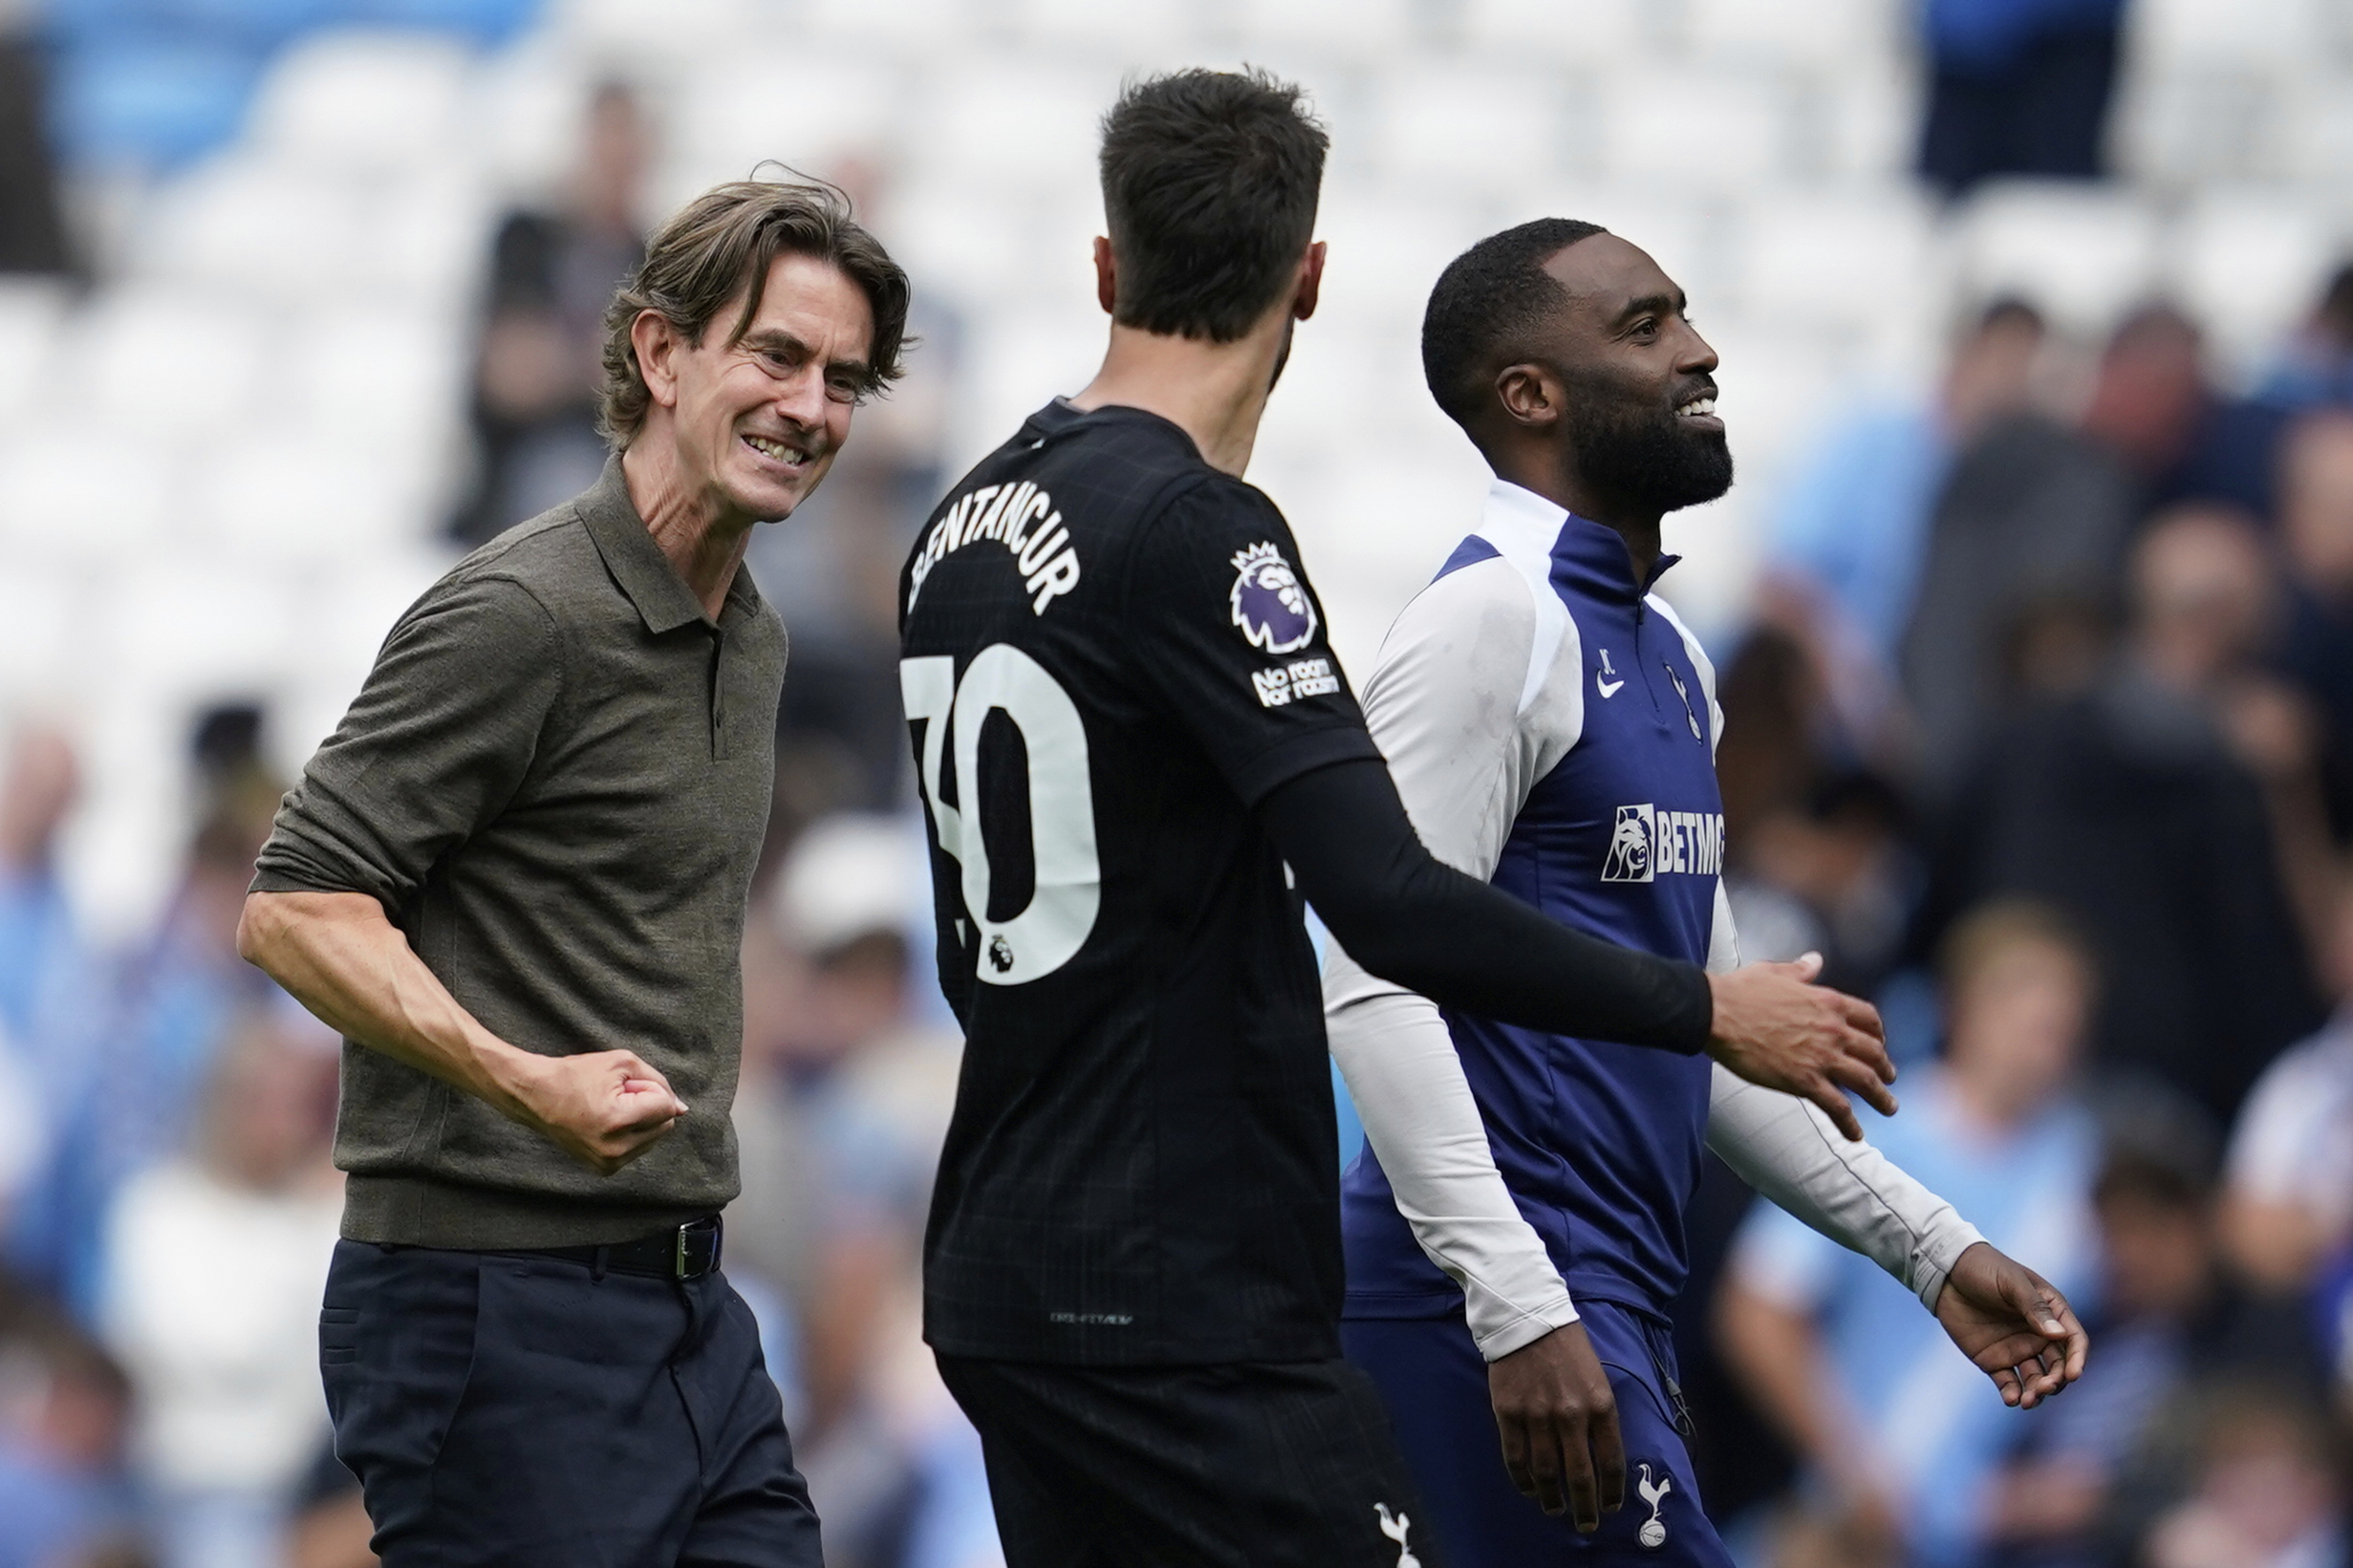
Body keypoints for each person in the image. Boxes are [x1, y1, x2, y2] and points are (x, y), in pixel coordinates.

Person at [900, 69, 1907, 1568]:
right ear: (1308, 280)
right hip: (1181, 1285)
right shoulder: (1200, 529)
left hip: (1001, 1262)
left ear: (1105, 269)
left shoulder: (959, 523)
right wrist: (1699, 1006)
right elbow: (1384, 900)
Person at [1324, 220, 2086, 1568]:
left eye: (1681, 314)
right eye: (1643, 325)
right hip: (1485, 1311)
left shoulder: (1672, 653)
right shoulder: (1485, 626)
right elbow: (1374, 977)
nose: (1699, 349)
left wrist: (1930, 1250)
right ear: (1527, 394)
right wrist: (1512, 1308)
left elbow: (1715, 1042)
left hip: (1599, 1301)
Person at [236, 176, 911, 1567]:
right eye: (775, 354)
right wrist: (523, 1078)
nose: (810, 406)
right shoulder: (521, 610)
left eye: (844, 378)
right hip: (492, 1309)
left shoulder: (760, 634)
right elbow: (294, 908)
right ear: (661, 355)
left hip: (686, 1309)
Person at [1717, 901, 2102, 1568]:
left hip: (1989, 1540)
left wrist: (2039, 1489)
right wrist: (1852, 1469)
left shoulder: (2085, 1169)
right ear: (1964, 1008)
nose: (2049, 1041)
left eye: (2063, 1025)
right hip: (1848, 1530)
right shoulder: (1885, 1134)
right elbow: (1757, 1309)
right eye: (2031, 1016)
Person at [451, 81, 654, 546]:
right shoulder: (527, 237)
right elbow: (512, 375)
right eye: (608, 141)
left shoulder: (652, 260)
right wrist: (611, 362)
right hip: (515, 483)